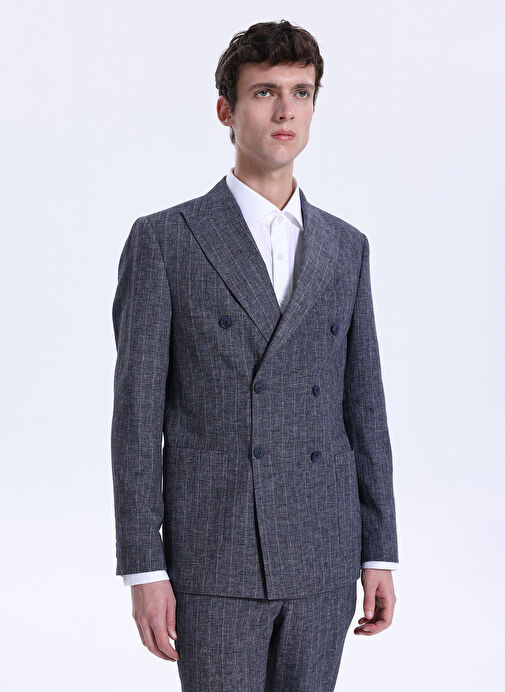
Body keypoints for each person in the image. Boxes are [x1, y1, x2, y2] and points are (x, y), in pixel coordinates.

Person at [111, 19, 399, 691]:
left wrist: (379, 549)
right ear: (226, 110)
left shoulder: (346, 247)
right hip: (214, 553)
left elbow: (365, 407)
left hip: (324, 553)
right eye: (264, 92)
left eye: (301, 93)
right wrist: (144, 567)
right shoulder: (165, 241)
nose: (284, 111)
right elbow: (135, 419)